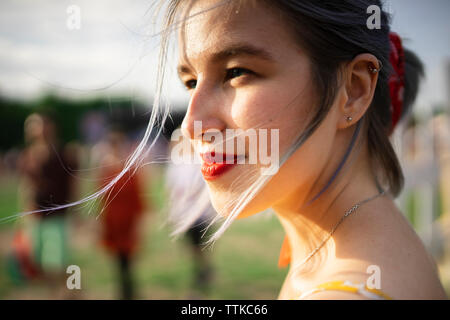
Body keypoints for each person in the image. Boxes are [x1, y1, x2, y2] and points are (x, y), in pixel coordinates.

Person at [154, 0, 447, 299]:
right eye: (191, 81)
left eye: (236, 71)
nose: (192, 124)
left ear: (353, 90)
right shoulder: (379, 243)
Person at [18, 113, 78, 296]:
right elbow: (26, 185)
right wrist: (24, 212)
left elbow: (73, 183)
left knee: (57, 262)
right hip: (36, 216)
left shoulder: (63, 152)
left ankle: (74, 291)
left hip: (57, 216)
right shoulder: (28, 155)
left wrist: (76, 212)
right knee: (41, 262)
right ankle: (59, 294)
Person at [97, 130, 147, 300]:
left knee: (127, 259)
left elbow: (137, 196)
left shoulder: (130, 168)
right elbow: (101, 197)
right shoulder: (105, 169)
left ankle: (128, 291)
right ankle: (124, 290)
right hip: (113, 221)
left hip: (128, 221)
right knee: (118, 260)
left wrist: (140, 222)